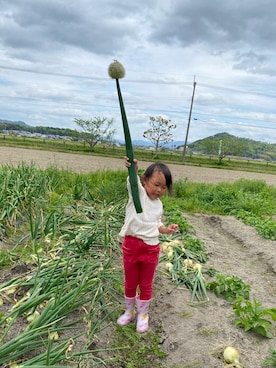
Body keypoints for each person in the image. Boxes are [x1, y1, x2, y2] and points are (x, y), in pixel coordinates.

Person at [117, 157, 178, 333]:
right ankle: (129, 311)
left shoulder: (158, 205)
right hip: (132, 245)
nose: (159, 190)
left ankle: (143, 314)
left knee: (145, 284)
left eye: (164, 187)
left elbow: (156, 224)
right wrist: (133, 170)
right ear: (145, 180)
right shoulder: (138, 195)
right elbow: (132, 183)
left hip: (151, 248)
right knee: (130, 282)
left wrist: (166, 229)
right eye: (156, 184)